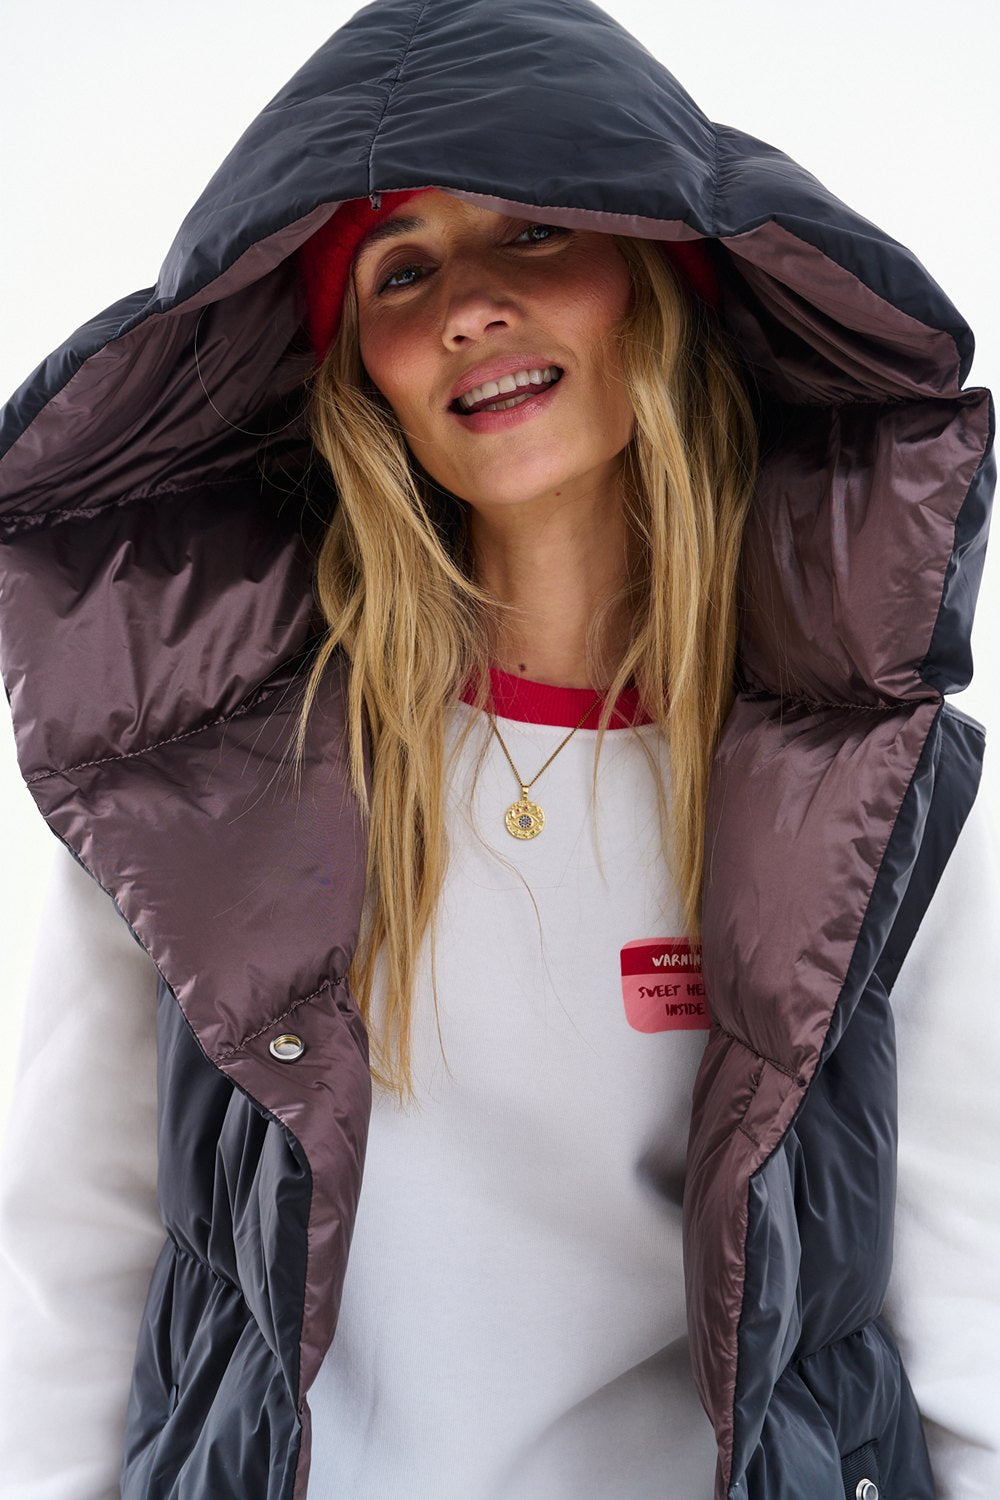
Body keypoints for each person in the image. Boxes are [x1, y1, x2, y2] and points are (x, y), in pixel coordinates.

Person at [0, 1, 997, 1497]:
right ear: (364, 371)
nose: (471, 307)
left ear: (659, 284)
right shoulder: (202, 779)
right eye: (402, 270)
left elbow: (973, 1290)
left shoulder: (879, 791)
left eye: (533, 233)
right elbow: (72, 1261)